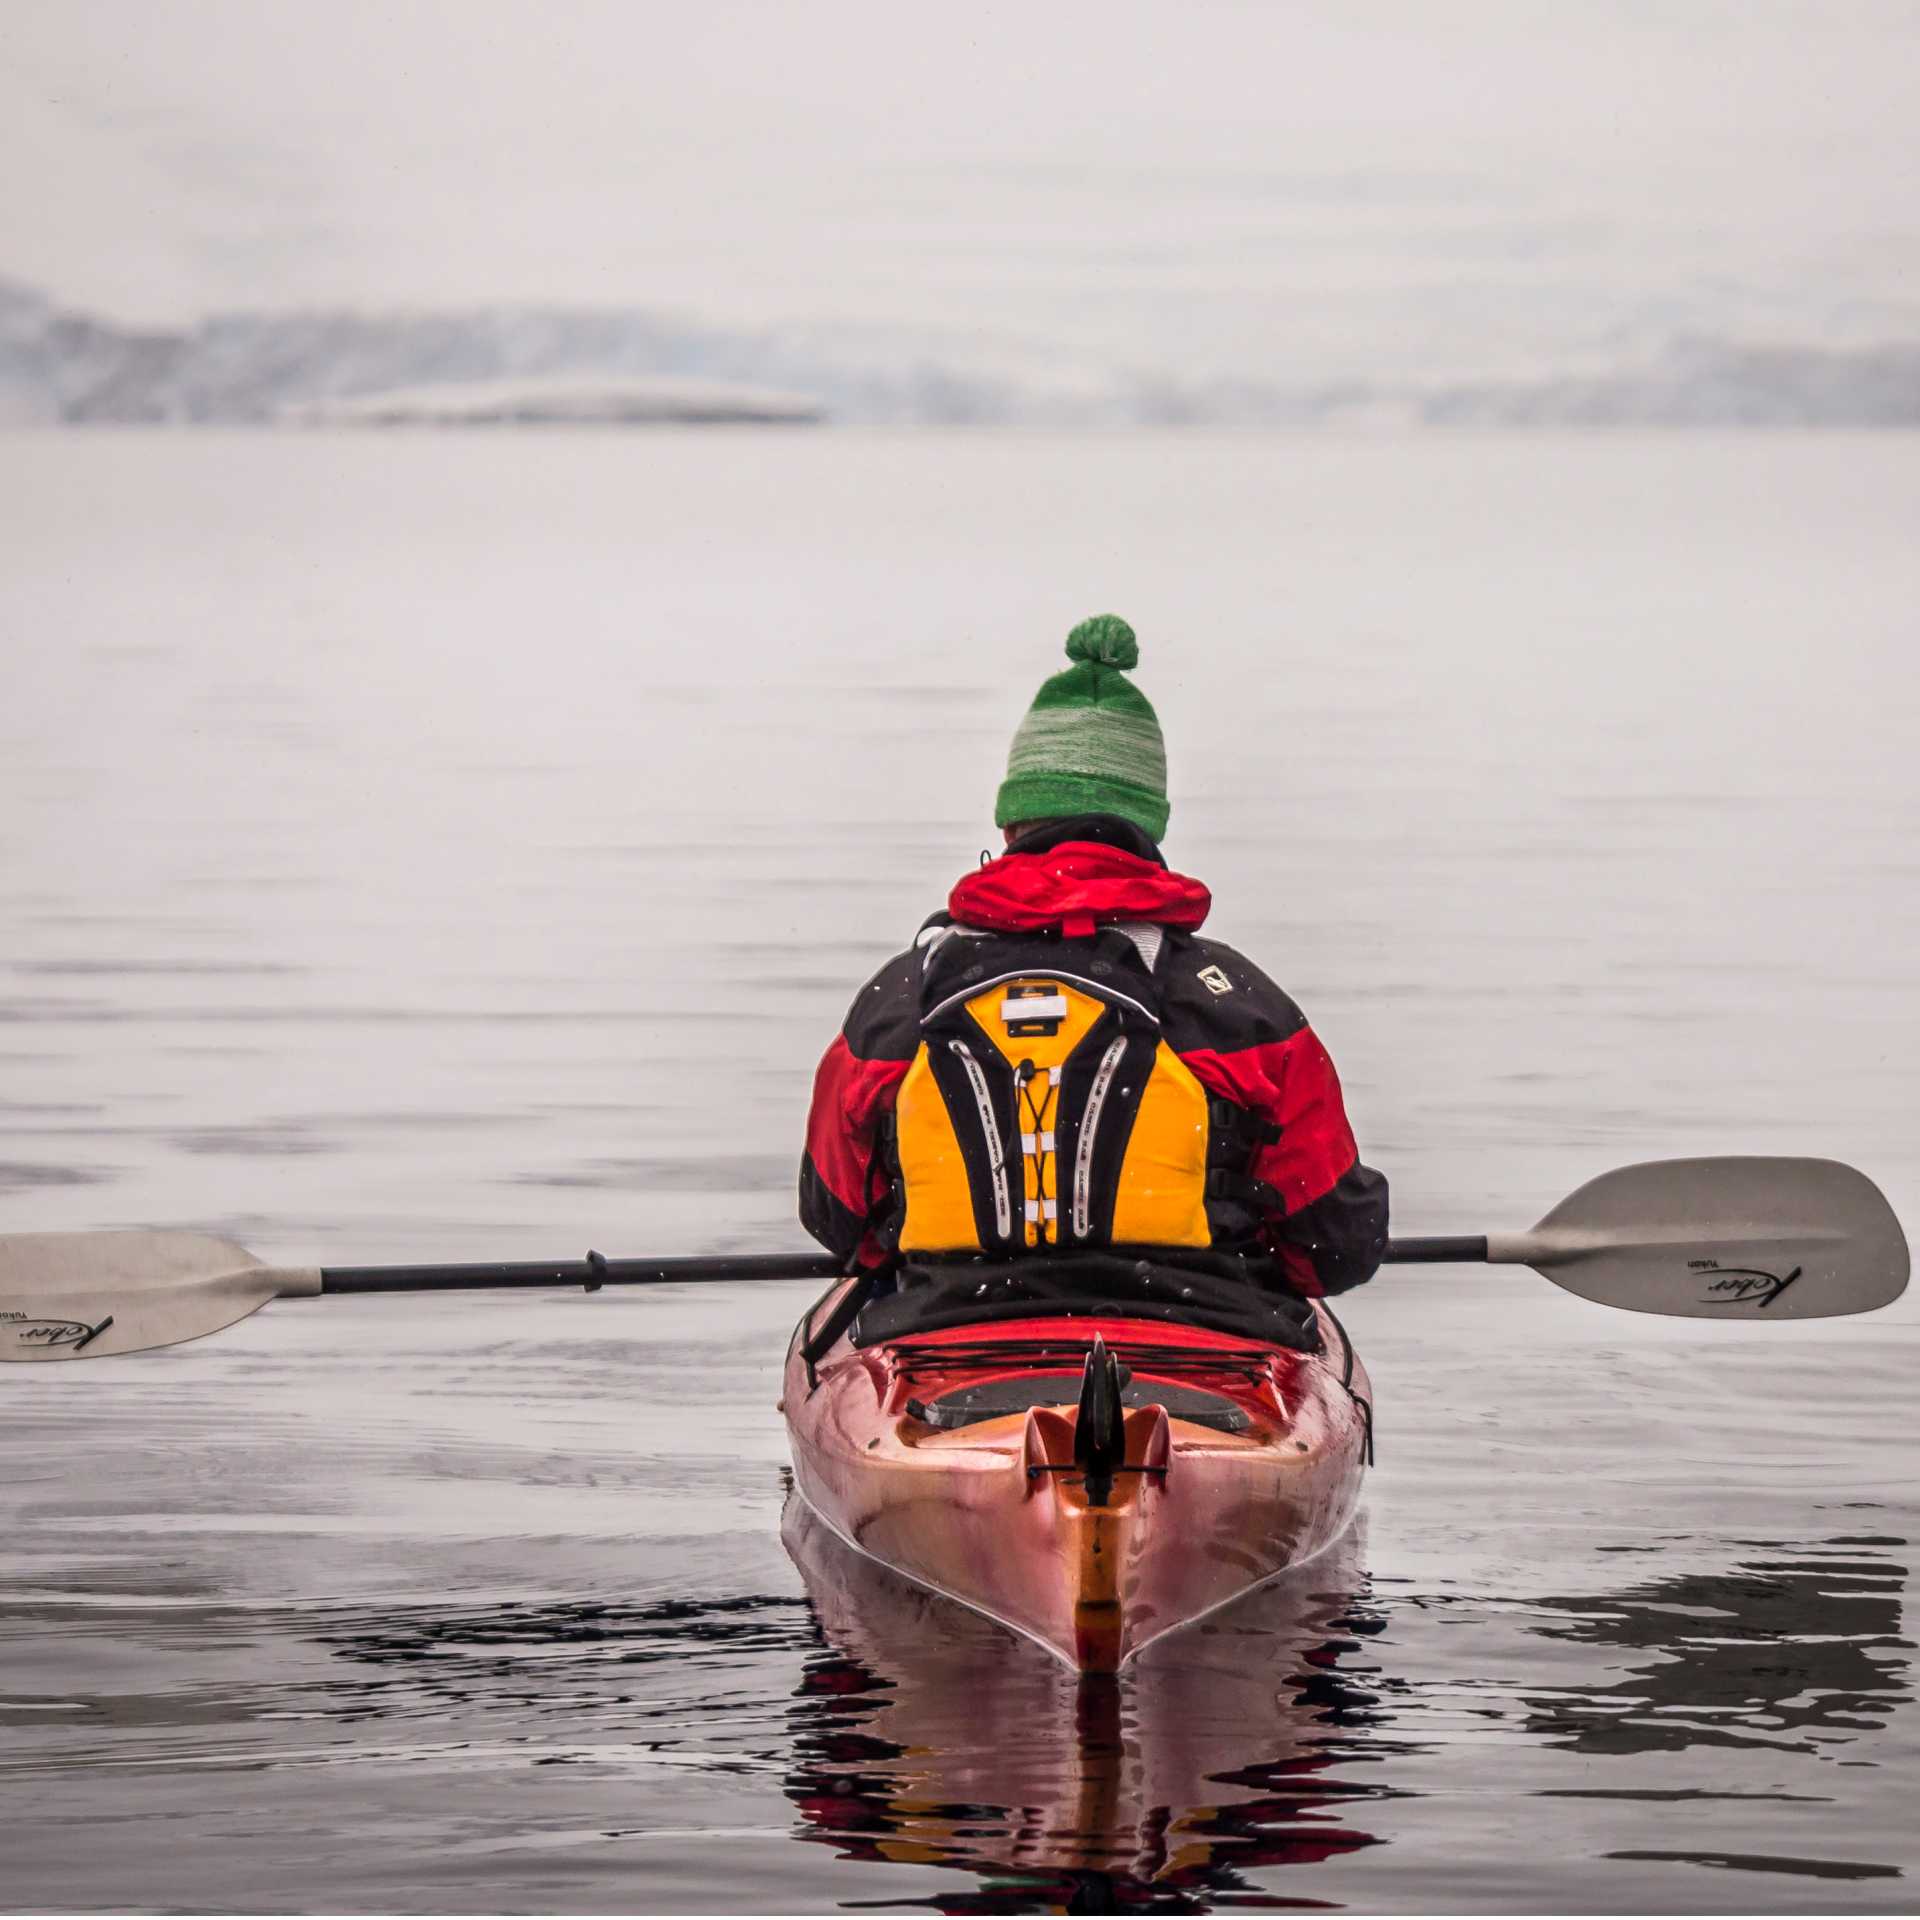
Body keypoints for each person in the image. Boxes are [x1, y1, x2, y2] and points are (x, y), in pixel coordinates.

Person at [799, 615, 1387, 1340]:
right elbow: (1336, 1246)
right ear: (1147, 829)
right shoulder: (1242, 1008)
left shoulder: (899, 1002)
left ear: (1014, 824)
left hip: (945, 1339)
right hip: (1206, 1342)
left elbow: (836, 1219)